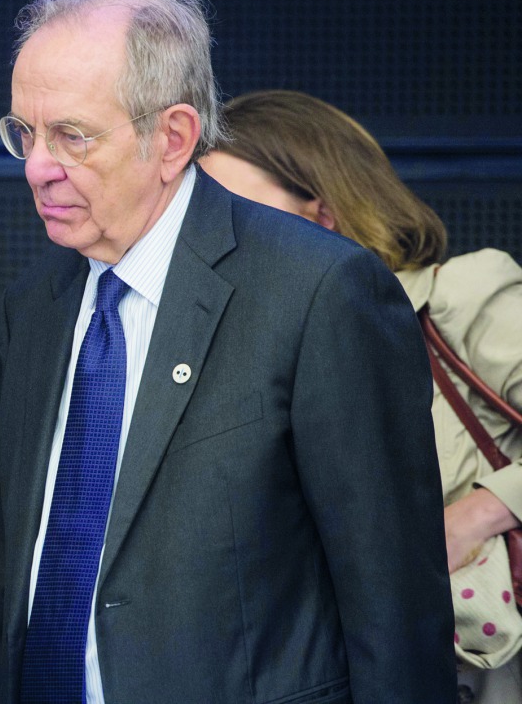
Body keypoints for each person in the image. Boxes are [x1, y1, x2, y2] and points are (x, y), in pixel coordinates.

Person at [0, 0, 455, 703]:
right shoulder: (33, 306)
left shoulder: (318, 291)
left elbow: (395, 607)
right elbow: (6, 582)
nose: (37, 168)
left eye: (71, 136)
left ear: (172, 139)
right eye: (24, 133)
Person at [201, 88, 522, 704]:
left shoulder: (456, 300)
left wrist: (480, 512)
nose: (218, 244)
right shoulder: (245, 357)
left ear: (324, 215)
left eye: (240, 215)